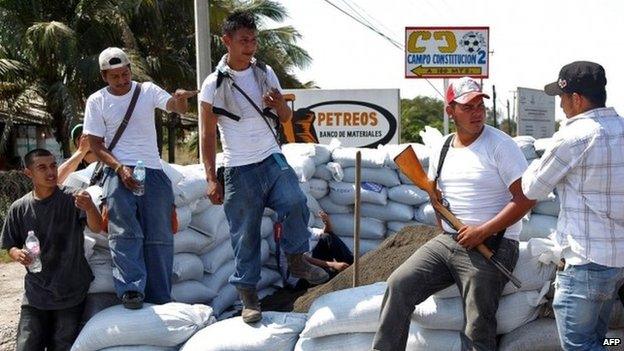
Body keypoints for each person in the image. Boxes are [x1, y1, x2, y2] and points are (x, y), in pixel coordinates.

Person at [372, 77, 536, 351]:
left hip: (494, 243)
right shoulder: (444, 147)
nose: (476, 113)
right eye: (467, 107)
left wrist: (482, 231)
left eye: (479, 105)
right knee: (398, 285)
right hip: (450, 240)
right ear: (451, 111)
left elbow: (525, 199)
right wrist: (441, 218)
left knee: (477, 323)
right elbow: (436, 197)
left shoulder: (500, 145)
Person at [199, 11, 328, 323]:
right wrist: (210, 179)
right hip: (239, 169)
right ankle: (249, 297)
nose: (250, 46)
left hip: (271, 158)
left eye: (254, 40)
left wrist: (278, 104)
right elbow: (206, 134)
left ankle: (297, 260)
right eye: (244, 40)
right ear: (226, 41)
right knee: (245, 236)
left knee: (296, 201)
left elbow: (285, 117)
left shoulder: (265, 73)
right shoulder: (213, 84)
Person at [84, 47, 197, 309]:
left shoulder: (146, 91)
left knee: (159, 234)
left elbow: (174, 107)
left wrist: (180, 100)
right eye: (115, 77)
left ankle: (160, 295)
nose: (122, 80)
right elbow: (96, 145)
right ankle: (132, 290)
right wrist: (120, 168)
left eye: (125, 74)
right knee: (124, 233)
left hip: (152, 172)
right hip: (116, 171)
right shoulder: (97, 101)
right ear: (104, 76)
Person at [522, 61, 624, 350]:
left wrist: (533, 165)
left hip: (584, 262)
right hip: (617, 263)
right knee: (598, 340)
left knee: (580, 345)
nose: (561, 106)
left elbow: (532, 188)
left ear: (576, 99)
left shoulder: (574, 136)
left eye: (562, 98)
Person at [1, 149, 103, 350]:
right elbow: (9, 245)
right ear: (28, 173)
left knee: (62, 345)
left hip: (70, 291)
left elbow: (97, 227)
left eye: (53, 165)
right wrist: (17, 254)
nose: (50, 172)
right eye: (42, 167)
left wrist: (90, 207)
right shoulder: (20, 208)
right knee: (27, 345)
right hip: (36, 293)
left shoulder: (73, 198)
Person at [277, 210, 353, 289]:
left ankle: (350, 264)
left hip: (312, 267)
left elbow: (326, 233)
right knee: (330, 276)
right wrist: (333, 265)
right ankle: (334, 272)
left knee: (327, 237)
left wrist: (327, 222)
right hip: (300, 279)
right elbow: (304, 260)